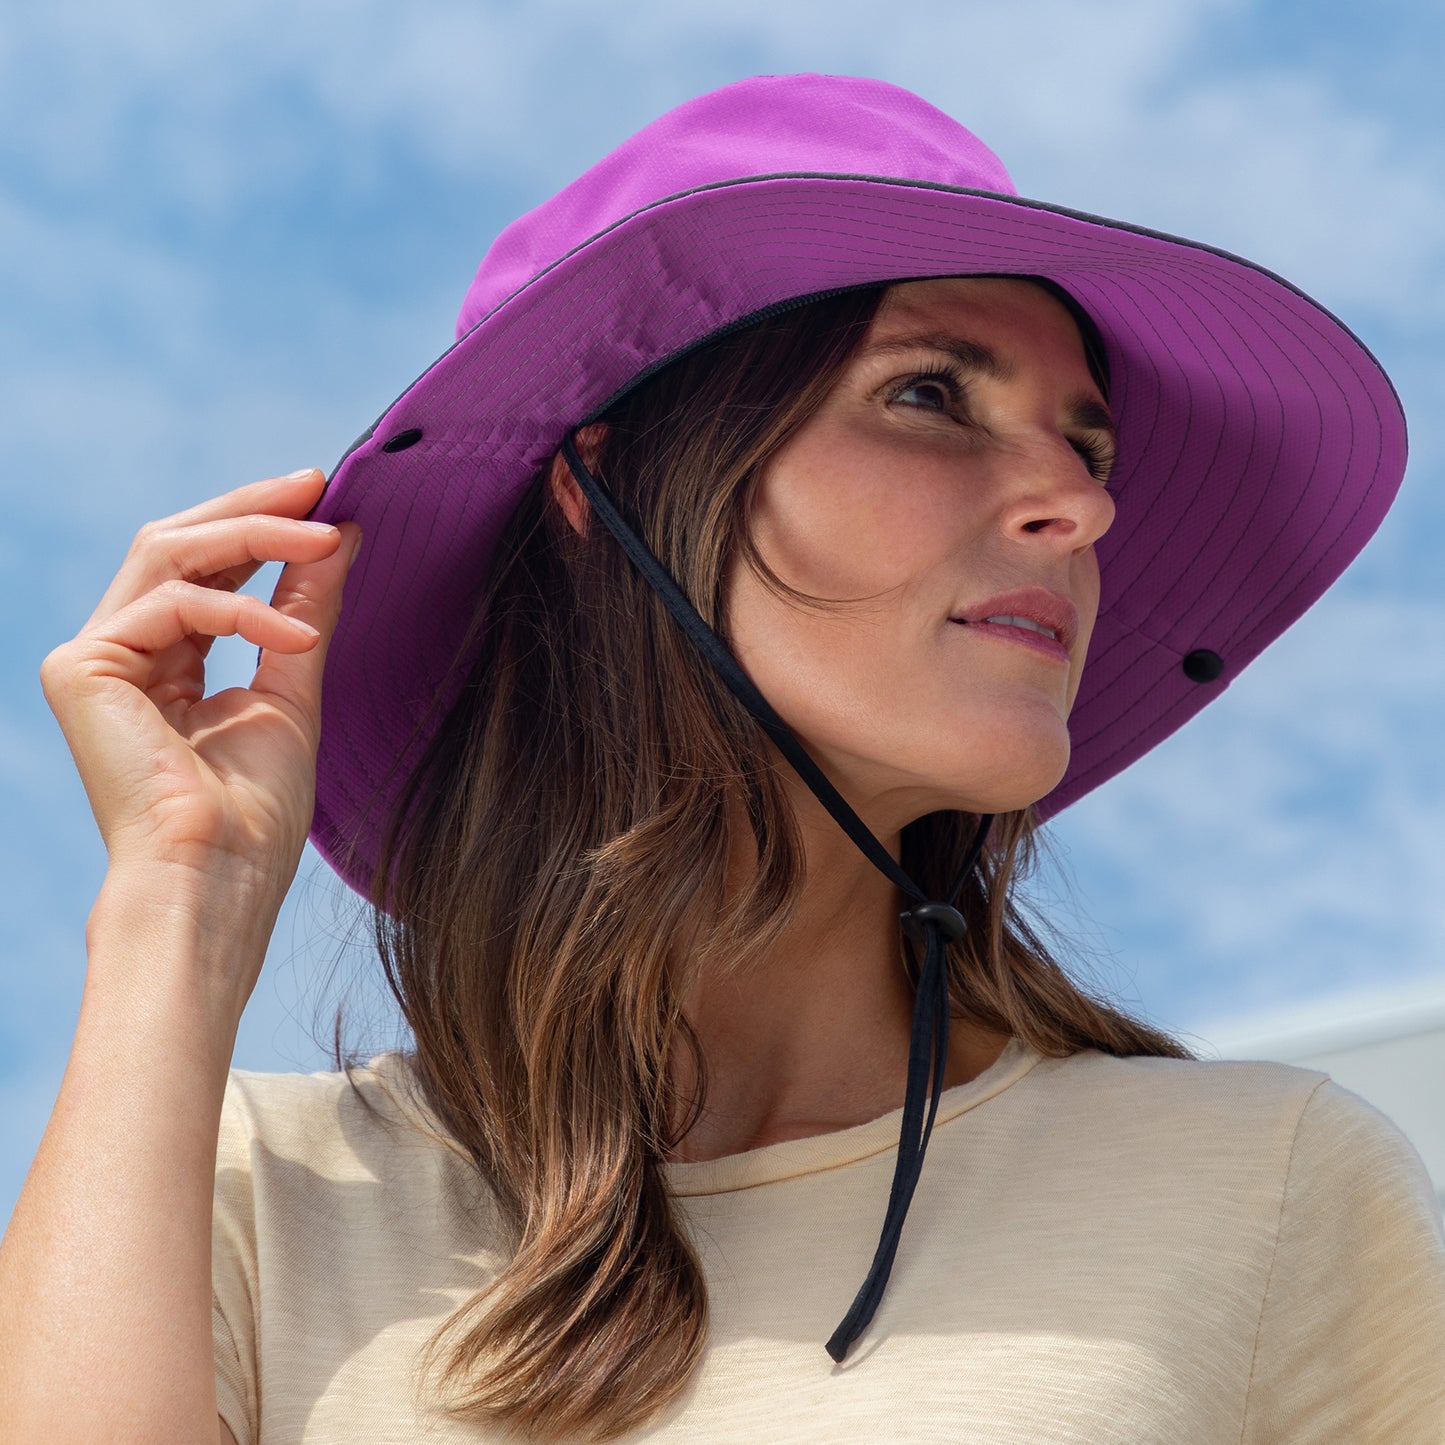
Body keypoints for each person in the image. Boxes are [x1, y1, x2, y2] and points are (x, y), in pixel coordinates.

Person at [3, 72, 1442, 1445]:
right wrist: (174, 902)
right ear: (605, 485)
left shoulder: (1266, 1185)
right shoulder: (256, 1198)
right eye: (932, 392)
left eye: (1089, 443)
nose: (1078, 502)